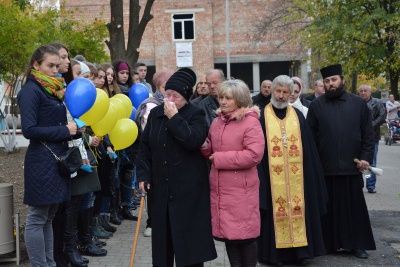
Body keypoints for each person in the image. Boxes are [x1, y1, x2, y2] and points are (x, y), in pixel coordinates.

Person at [137, 67, 217, 267]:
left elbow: (192, 140)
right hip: (161, 189)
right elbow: (145, 148)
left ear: (187, 97)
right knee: (162, 247)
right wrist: (143, 175)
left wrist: (174, 118)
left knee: (189, 249)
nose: (170, 99)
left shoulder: (196, 114)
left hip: (189, 192)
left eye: (176, 95)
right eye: (168, 94)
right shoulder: (155, 114)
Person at [257, 75, 328, 266]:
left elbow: (309, 150)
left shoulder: (297, 116)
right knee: (274, 211)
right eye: (277, 91)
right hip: (272, 179)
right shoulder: (261, 115)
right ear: (272, 91)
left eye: (285, 92)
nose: (280, 96)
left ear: (291, 94)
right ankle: (275, 256)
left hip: (297, 179)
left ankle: (300, 252)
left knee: (299, 209)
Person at [17, 44, 78, 267]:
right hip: (41, 161)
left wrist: (73, 129)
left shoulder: (51, 88)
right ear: (36, 65)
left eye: (57, 65)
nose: (56, 70)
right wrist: (65, 130)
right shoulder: (30, 91)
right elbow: (29, 130)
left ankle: (49, 263)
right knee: (37, 218)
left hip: (55, 159)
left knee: (49, 217)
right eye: (50, 66)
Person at [307, 64, 376, 259]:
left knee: (353, 210)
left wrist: (365, 158)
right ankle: (328, 244)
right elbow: (310, 138)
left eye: (334, 80)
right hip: (325, 168)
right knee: (327, 209)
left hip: (351, 167)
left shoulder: (358, 104)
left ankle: (357, 245)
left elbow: (368, 135)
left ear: (342, 80)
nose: (331, 84)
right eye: (327, 81)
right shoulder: (316, 106)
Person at [200, 79, 264, 267]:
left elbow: (254, 155)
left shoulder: (250, 122)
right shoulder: (217, 122)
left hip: (241, 191)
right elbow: (211, 150)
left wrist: (219, 158)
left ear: (240, 99)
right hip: (222, 189)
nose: (223, 102)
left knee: (246, 238)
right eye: (221, 97)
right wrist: (204, 146)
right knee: (230, 237)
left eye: (228, 98)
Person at [134, 69, 174, 237]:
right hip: (154, 155)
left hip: (170, 156)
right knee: (153, 190)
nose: (169, 91)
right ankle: (152, 222)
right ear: (158, 86)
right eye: (165, 87)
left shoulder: (174, 102)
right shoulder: (151, 104)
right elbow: (147, 133)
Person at [358, 84, 386, 193]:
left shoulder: (377, 103)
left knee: (370, 162)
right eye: (361, 91)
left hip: (373, 138)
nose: (363, 93)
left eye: (365, 91)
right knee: (359, 162)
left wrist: (369, 127)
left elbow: (382, 117)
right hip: (358, 137)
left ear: (370, 92)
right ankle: (359, 185)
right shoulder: (356, 103)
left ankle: (370, 185)